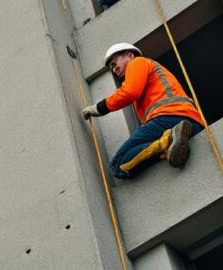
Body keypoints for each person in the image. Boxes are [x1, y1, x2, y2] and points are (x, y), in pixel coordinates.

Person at [81, 43, 204, 179]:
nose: (114, 69)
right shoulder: (149, 74)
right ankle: (170, 148)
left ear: (129, 55)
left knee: (117, 165)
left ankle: (167, 142)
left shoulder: (137, 62)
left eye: (115, 63)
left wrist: (98, 108)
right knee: (142, 151)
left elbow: (129, 92)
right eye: (111, 67)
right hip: (194, 123)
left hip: (168, 117)